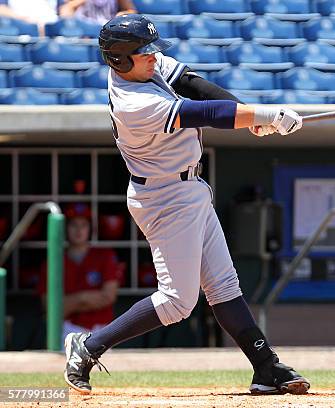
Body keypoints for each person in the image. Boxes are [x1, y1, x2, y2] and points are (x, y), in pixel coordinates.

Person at [63, 14, 309, 396]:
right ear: (119, 60)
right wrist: (262, 115)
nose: (152, 57)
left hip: (188, 186)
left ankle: (266, 367)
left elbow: (197, 87)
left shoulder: (144, 68)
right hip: (162, 197)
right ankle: (89, 346)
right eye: (142, 53)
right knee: (178, 301)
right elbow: (203, 113)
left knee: (224, 285)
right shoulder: (133, 102)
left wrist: (250, 118)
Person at [38, 203, 121, 345]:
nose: (79, 230)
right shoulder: (53, 260)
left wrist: (70, 302)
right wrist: (84, 299)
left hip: (101, 328)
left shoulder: (105, 255)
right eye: (73, 225)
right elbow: (49, 307)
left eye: (83, 225)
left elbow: (108, 296)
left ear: (90, 228)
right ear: (65, 228)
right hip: (67, 329)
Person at [59, 0, 137, 25]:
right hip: (84, 35)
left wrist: (122, 15)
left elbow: (132, 11)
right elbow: (65, 11)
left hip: (109, 31)